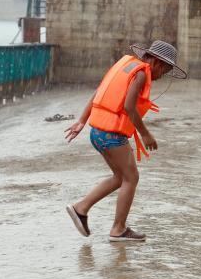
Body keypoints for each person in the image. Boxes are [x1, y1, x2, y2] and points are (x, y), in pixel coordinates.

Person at [64, 40, 186, 242]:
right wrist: (145, 134)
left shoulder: (125, 67)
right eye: (164, 72)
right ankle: (118, 229)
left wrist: (82, 121)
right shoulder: (140, 74)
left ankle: (81, 208)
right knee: (132, 178)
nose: (160, 77)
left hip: (98, 132)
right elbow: (129, 106)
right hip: (112, 135)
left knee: (120, 178)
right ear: (157, 63)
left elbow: (98, 93)